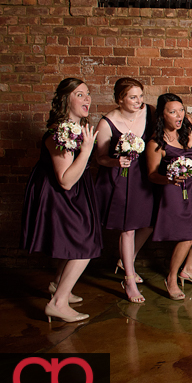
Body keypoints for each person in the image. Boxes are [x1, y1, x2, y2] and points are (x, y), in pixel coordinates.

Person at [21, 78, 101, 323]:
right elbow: (65, 180)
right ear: (66, 100)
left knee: (75, 240)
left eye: (88, 94)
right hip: (61, 193)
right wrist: (87, 150)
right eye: (79, 94)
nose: (87, 99)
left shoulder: (77, 127)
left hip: (77, 190)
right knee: (84, 244)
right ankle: (58, 303)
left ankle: (58, 284)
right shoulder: (60, 132)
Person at [94, 77, 155, 304]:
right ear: (120, 99)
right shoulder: (106, 122)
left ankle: (125, 260)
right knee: (127, 229)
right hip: (118, 178)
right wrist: (115, 161)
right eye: (132, 97)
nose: (139, 101)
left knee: (149, 223)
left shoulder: (149, 112)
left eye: (140, 95)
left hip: (143, 177)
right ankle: (129, 280)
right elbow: (100, 158)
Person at [147, 93, 192, 300]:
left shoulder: (188, 130)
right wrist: (168, 178)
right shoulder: (156, 143)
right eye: (172, 111)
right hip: (175, 189)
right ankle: (172, 278)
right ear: (162, 115)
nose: (179, 115)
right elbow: (151, 175)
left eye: (181, 110)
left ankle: (189, 268)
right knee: (188, 234)